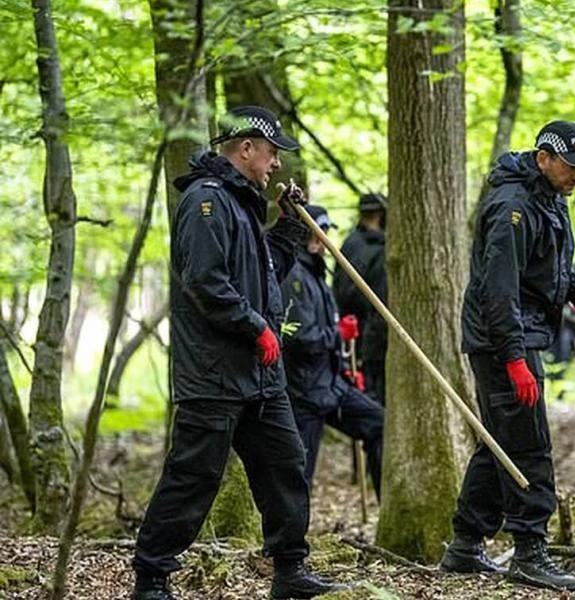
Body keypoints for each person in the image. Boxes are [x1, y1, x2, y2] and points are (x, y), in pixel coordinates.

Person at [130, 106, 342, 600]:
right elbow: (206, 283)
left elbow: (263, 270)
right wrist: (255, 329)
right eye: (271, 154)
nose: (275, 165)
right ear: (245, 148)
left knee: (286, 464)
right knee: (194, 475)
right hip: (215, 373)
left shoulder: (243, 204)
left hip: (259, 377)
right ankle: (152, 576)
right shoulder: (207, 202)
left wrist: (290, 226)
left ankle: (289, 569)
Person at [441, 121, 575, 592]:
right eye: (572, 167)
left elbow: (544, 270)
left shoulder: (550, 199)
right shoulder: (511, 207)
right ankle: (530, 549)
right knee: (528, 442)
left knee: (499, 439)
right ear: (544, 159)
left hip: (523, 332)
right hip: (501, 339)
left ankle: (466, 544)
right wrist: (513, 357)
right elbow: (499, 289)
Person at [280, 203, 384, 497]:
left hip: (332, 387)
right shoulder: (293, 276)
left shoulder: (318, 275)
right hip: (304, 395)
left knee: (379, 422)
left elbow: (326, 338)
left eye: (324, 231)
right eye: (316, 231)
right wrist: (337, 335)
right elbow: (298, 338)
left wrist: (347, 374)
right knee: (300, 473)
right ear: (302, 233)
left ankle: (389, 507)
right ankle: (290, 539)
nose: (322, 238)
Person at [332, 192, 389, 406]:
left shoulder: (352, 244)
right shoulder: (364, 247)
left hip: (367, 332)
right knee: (372, 396)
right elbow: (346, 291)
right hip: (364, 333)